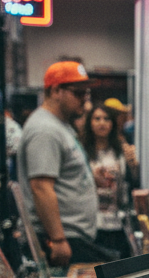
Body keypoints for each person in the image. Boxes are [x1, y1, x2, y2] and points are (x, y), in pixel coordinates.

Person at [17, 61, 102, 266]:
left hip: (74, 236)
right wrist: (58, 239)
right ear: (56, 91)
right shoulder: (45, 130)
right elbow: (41, 187)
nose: (85, 99)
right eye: (78, 93)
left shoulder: (60, 125)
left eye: (87, 93)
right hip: (61, 239)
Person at [80, 104, 132, 259]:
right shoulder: (82, 151)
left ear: (112, 124)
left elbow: (129, 183)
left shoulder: (121, 151)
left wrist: (134, 166)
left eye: (106, 119)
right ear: (90, 123)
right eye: (97, 119)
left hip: (118, 221)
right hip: (92, 222)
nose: (102, 123)